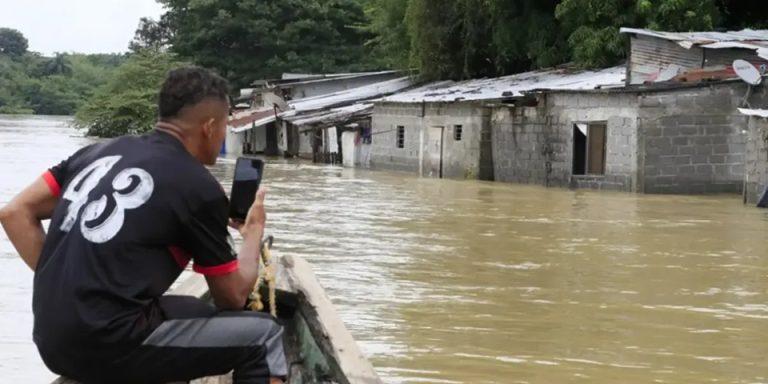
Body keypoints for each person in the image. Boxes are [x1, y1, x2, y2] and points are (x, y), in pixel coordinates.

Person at [0, 67, 287, 384]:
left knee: (193, 309)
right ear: (208, 127)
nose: (223, 136)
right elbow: (231, 297)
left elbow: (14, 213)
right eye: (224, 127)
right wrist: (252, 234)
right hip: (109, 344)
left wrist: (70, 282)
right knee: (264, 337)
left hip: (52, 339)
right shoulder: (199, 187)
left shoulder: (95, 153)